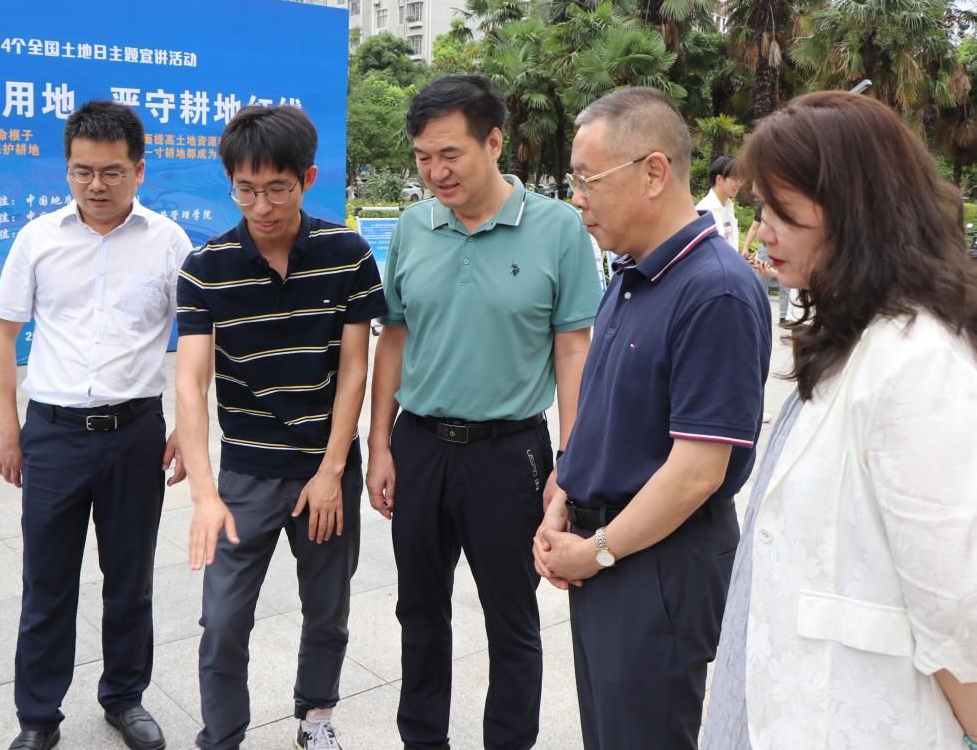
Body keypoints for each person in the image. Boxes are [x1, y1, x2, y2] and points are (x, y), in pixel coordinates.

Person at [702, 91, 977, 748]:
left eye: (785, 213)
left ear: (858, 215)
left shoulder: (917, 360)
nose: (764, 230)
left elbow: (955, 609)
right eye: (762, 208)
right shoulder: (848, 336)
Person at [532, 86, 772, 749]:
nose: (577, 198)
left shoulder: (715, 289)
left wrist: (598, 550)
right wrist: (564, 498)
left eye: (588, 180)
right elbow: (605, 407)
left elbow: (697, 472)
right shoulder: (634, 272)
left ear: (654, 171)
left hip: (656, 564)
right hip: (609, 551)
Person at [368, 74, 601, 750]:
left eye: (451, 154)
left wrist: (570, 464)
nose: (436, 171)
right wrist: (379, 445)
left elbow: (573, 350)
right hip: (420, 445)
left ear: (494, 142)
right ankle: (423, 740)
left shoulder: (558, 229)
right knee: (419, 611)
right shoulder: (413, 227)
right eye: (423, 157)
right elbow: (394, 339)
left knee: (512, 618)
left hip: (511, 453)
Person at [175, 105, 386, 750]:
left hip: (326, 468)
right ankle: (222, 735)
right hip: (246, 474)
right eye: (246, 190)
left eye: (277, 189)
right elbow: (190, 382)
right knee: (222, 621)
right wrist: (205, 495)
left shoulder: (347, 255)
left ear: (307, 179)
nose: (261, 207)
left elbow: (355, 369)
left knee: (327, 607)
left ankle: (316, 717)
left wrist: (332, 472)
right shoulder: (205, 267)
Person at [0, 100, 192, 750]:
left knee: (130, 579)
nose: (95, 185)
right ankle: (37, 717)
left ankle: (124, 698)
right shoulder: (37, 239)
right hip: (54, 434)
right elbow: (1, 336)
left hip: (136, 434)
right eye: (82, 171)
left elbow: (199, 341)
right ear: (68, 169)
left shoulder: (169, 242)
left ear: (139, 170)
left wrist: (189, 426)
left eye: (111, 171)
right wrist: (9, 432)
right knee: (47, 582)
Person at [742, 203, 793, 325]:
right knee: (760, 284)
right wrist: (746, 247)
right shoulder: (763, 205)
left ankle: (783, 317)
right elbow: (754, 227)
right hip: (766, 250)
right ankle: (757, 314)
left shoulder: (789, 204)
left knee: (786, 285)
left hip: (785, 250)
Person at [696, 154, 741, 248]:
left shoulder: (728, 207)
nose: (739, 184)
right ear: (719, 179)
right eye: (735, 178)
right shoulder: (704, 210)